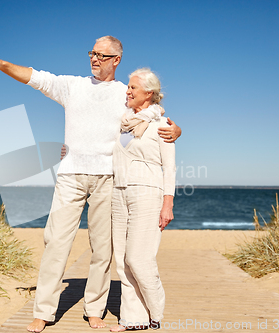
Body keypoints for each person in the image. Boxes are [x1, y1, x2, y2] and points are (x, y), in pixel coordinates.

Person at [0, 36, 181, 333]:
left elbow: (155, 110)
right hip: (71, 176)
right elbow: (35, 77)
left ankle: (94, 309)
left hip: (109, 178)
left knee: (102, 250)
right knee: (55, 242)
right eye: (92, 53)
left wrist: (177, 130)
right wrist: (2, 65)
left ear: (116, 60)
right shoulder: (73, 86)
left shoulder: (125, 93)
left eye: (102, 55)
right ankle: (43, 312)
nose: (94, 59)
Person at [110, 68, 176, 332]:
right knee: (122, 259)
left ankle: (156, 311)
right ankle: (133, 319)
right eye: (128, 86)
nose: (128, 90)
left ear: (149, 93)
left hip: (148, 193)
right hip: (118, 191)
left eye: (133, 87)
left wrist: (167, 204)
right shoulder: (122, 123)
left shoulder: (163, 125)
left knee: (139, 258)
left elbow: (169, 168)